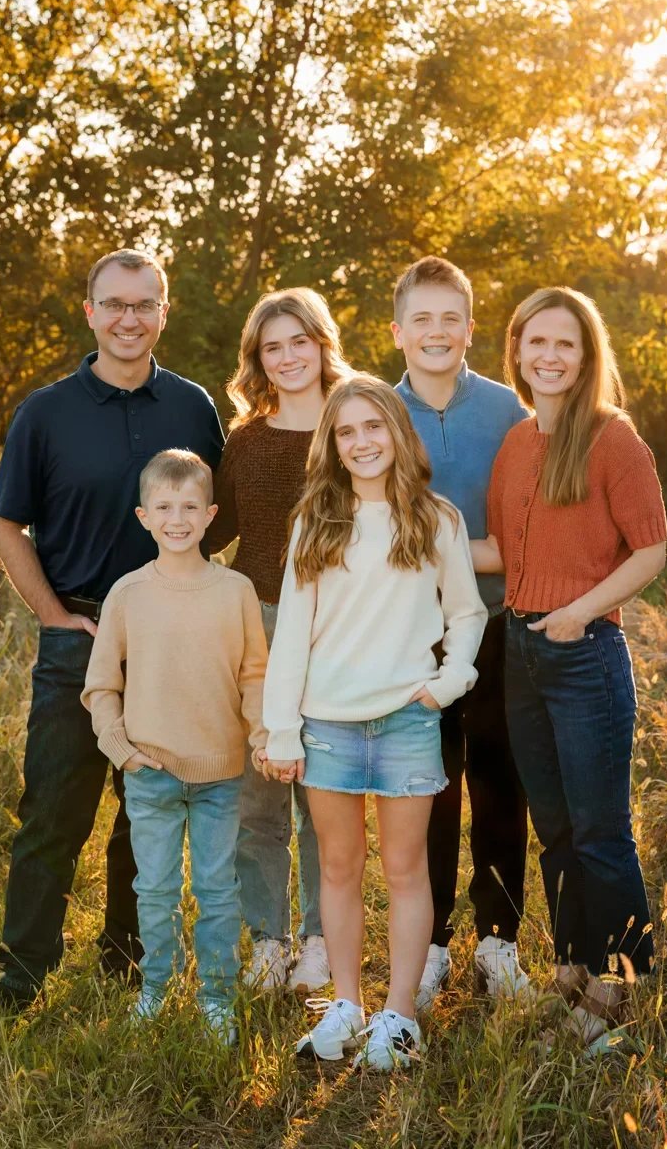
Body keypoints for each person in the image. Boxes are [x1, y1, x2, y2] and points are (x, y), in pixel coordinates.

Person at [0, 249, 224, 1013]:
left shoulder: (193, 407)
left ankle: (126, 961)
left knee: (146, 809)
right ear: (90, 311)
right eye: (114, 304)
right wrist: (57, 618)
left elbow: (213, 521)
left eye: (144, 304)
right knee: (53, 811)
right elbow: (6, 524)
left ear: (165, 311)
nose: (129, 318)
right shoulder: (45, 412)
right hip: (79, 635)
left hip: (167, 639)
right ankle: (21, 976)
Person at [257, 374, 487, 1070]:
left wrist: (450, 681)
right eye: (346, 431)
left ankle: (398, 1017)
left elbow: (467, 613)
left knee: (405, 869)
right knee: (337, 865)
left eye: (373, 427)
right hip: (325, 723)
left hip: (405, 721)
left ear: (397, 432)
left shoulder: (433, 518)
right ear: (331, 443)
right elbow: (292, 634)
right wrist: (281, 728)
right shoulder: (315, 521)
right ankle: (349, 1005)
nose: (361, 442)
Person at [472, 286, 667, 1054]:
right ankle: (574, 971)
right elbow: (502, 556)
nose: (549, 356)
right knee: (552, 829)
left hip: (582, 656)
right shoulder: (517, 443)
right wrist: (417, 534)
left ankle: (618, 987)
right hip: (519, 652)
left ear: (585, 357)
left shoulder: (611, 437)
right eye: (536, 342)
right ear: (516, 351)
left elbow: (650, 550)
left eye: (566, 344)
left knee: (599, 832)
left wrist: (581, 610)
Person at [81, 450, 267, 1041]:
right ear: (143, 516)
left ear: (211, 513)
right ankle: (156, 988)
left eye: (189, 506)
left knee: (217, 891)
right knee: (154, 890)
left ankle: (216, 995)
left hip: (220, 773)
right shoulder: (127, 594)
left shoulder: (236, 590)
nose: (177, 518)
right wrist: (121, 747)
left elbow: (254, 676)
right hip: (150, 771)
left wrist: (261, 734)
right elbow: (101, 684)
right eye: (164, 507)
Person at [392, 257, 531, 1009]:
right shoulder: (377, 410)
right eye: (422, 318)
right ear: (398, 331)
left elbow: (530, 530)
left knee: (501, 784)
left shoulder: (509, 410)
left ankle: (499, 942)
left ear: (470, 329)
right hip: (412, 635)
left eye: (451, 318)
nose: (436, 332)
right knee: (429, 788)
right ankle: (434, 943)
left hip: (502, 625)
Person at [207, 288, 352, 994]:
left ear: (322, 344)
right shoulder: (247, 439)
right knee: (257, 793)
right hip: (257, 624)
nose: (288, 356)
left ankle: (322, 939)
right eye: (273, 346)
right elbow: (211, 534)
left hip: (337, 628)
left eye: (300, 341)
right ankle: (267, 940)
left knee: (322, 794)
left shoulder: (356, 424)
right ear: (257, 359)